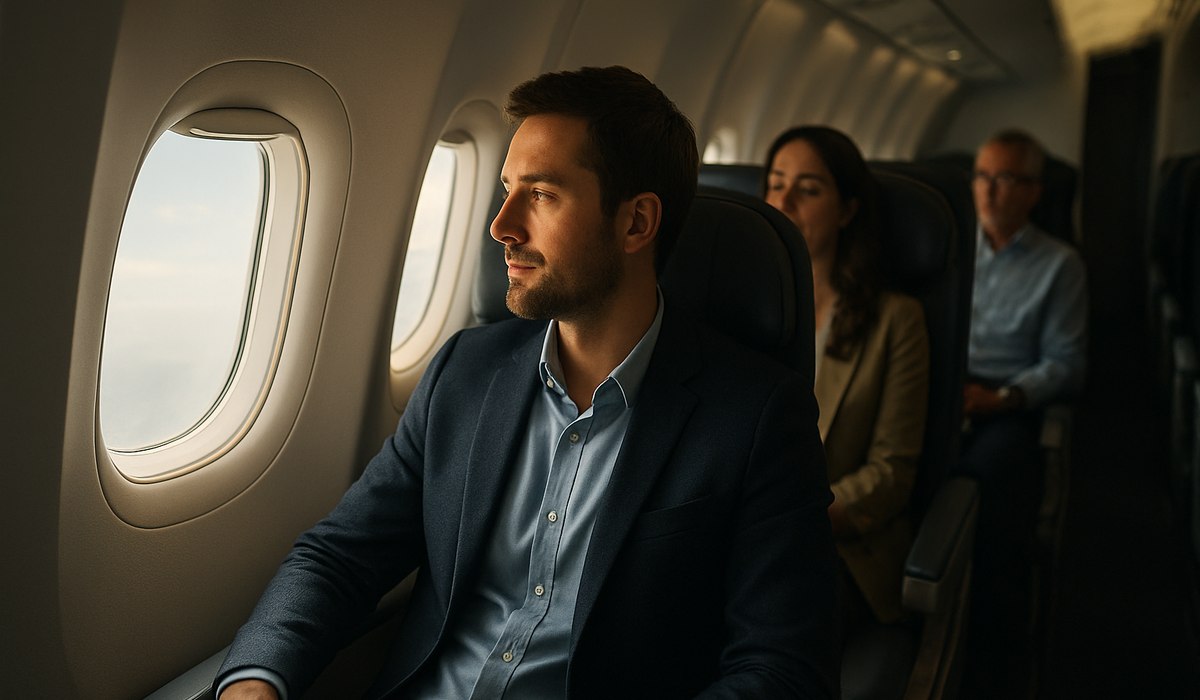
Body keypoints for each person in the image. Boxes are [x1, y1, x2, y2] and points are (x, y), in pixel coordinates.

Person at [214, 66, 837, 699]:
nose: (501, 225)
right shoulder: (465, 371)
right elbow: (341, 556)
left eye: (541, 194)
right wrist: (258, 677)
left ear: (635, 223)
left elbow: (784, 670)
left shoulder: (756, 416)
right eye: (508, 188)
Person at [764, 126, 930, 633]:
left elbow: (890, 473)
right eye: (774, 183)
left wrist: (798, 520)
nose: (784, 200)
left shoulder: (896, 320)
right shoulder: (738, 305)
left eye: (809, 189)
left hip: (838, 544)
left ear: (847, 211)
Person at [958, 129, 1087, 693]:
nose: (989, 191)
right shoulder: (948, 245)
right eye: (982, 176)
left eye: (1005, 179)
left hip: (1007, 398)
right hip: (944, 389)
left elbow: (1066, 363)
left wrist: (1005, 398)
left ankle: (994, 641)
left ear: (1034, 191)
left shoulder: (1061, 265)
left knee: (989, 480)